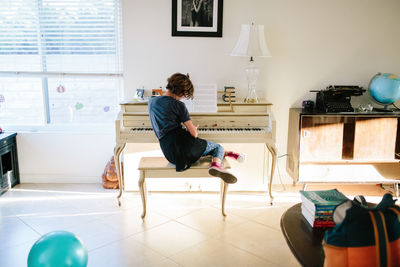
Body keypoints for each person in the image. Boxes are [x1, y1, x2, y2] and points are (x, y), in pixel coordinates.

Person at [148, 73, 246, 184]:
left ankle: (231, 154)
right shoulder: (179, 105)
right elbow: (194, 134)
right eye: (185, 95)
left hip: (169, 153)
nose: (184, 98)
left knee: (204, 149)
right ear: (182, 91)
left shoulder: (152, 101)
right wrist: (195, 128)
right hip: (184, 150)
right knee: (217, 147)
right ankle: (216, 165)